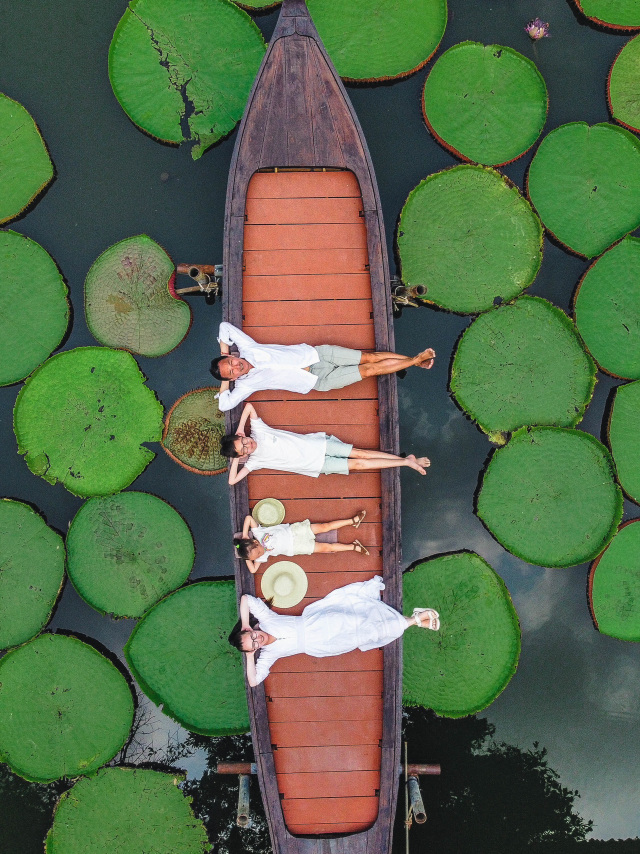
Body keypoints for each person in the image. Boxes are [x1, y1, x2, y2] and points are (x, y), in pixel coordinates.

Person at [228, 577, 440, 687]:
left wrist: (246, 625)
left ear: (249, 630)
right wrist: (249, 655)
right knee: (365, 635)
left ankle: (412, 620)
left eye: (252, 637)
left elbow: (246, 599)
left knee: (358, 619)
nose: (258, 641)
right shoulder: (267, 654)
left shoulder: (267, 620)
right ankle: (411, 620)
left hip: (318, 622)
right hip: (321, 646)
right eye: (254, 645)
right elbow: (254, 681)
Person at [211, 321, 436, 412]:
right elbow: (224, 405)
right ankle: (416, 360)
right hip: (318, 382)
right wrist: (224, 383)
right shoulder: (244, 386)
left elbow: (225, 327)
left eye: (230, 362)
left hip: (317, 355)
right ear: (231, 379)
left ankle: (414, 360)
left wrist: (223, 352)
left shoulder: (248, 348)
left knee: (368, 357)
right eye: (231, 372)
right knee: (369, 371)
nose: (235, 366)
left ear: (231, 356)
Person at [221, 403, 430, 484]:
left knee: (361, 454)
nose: (248, 445)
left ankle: (407, 461)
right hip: (317, 466)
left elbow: (248, 407)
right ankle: (406, 462)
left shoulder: (258, 431)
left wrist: (240, 427)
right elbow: (232, 481)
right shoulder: (254, 462)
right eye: (244, 449)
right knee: (359, 465)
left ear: (242, 436)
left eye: (244, 441)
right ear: (242, 456)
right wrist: (237, 459)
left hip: (320, 445)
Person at [235, 510, 370, 572]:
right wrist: (246, 556)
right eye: (256, 557)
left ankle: (352, 521)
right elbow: (252, 570)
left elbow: (248, 518)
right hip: (295, 548)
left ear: (256, 543)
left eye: (258, 552)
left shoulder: (258, 534)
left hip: (294, 531)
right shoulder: (261, 557)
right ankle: (353, 547)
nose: (260, 555)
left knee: (325, 527)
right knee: (326, 548)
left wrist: (245, 535)